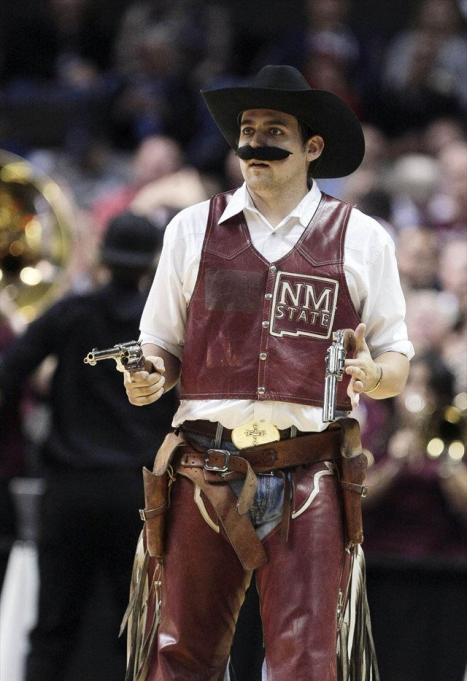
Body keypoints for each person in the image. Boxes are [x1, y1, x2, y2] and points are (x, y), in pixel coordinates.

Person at [123, 65, 413, 681]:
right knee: (177, 658)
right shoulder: (188, 229)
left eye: (273, 130)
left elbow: (397, 363)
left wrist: (372, 372)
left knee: (306, 666)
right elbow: (160, 347)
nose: (254, 142)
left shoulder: (363, 239)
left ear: (312, 147)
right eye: (247, 129)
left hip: (311, 471)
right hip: (205, 467)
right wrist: (148, 374)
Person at [0, 212, 178, 681]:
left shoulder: (71, 313)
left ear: (101, 256)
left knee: (53, 629)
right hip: (139, 496)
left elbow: (8, 375)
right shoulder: (164, 330)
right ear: (152, 263)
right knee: (141, 632)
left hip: (69, 490)